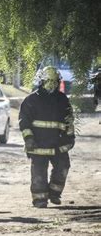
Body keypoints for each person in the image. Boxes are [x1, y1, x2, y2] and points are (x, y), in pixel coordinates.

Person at [19, 66, 75, 208]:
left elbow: (69, 121)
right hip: (38, 144)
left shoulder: (62, 100)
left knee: (63, 167)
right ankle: (39, 199)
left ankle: (54, 193)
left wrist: (70, 138)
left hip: (57, 144)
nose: (52, 84)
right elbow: (24, 122)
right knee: (38, 172)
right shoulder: (31, 100)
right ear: (42, 81)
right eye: (49, 81)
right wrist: (29, 139)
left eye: (55, 81)